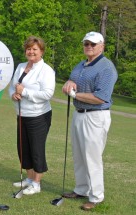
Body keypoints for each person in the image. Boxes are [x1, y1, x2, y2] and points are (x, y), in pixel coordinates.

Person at [62, 31, 118, 211]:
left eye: (93, 44)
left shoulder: (106, 67)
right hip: (79, 113)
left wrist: (75, 94)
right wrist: (70, 82)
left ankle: (96, 196)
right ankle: (81, 189)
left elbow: (101, 97)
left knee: (92, 157)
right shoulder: (81, 64)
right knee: (78, 155)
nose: (89, 47)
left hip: (95, 116)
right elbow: (73, 78)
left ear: (102, 46)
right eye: (86, 44)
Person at [9, 36, 55, 195]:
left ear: (41, 51)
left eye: (35, 49)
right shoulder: (21, 66)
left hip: (39, 116)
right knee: (23, 148)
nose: (31, 52)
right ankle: (28, 179)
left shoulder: (46, 70)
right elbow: (13, 86)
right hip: (22, 114)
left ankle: (36, 183)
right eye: (29, 49)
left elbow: (47, 94)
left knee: (36, 149)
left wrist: (25, 92)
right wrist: (13, 95)